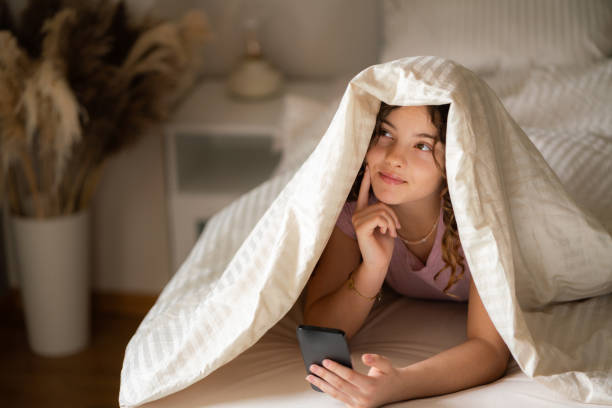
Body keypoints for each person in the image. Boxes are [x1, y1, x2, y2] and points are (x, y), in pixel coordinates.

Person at [302, 101, 510, 407]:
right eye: (386, 133)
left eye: (423, 145)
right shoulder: (354, 215)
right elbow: (320, 328)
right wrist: (373, 266)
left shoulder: (479, 221)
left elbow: (490, 350)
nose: (394, 158)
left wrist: (398, 384)